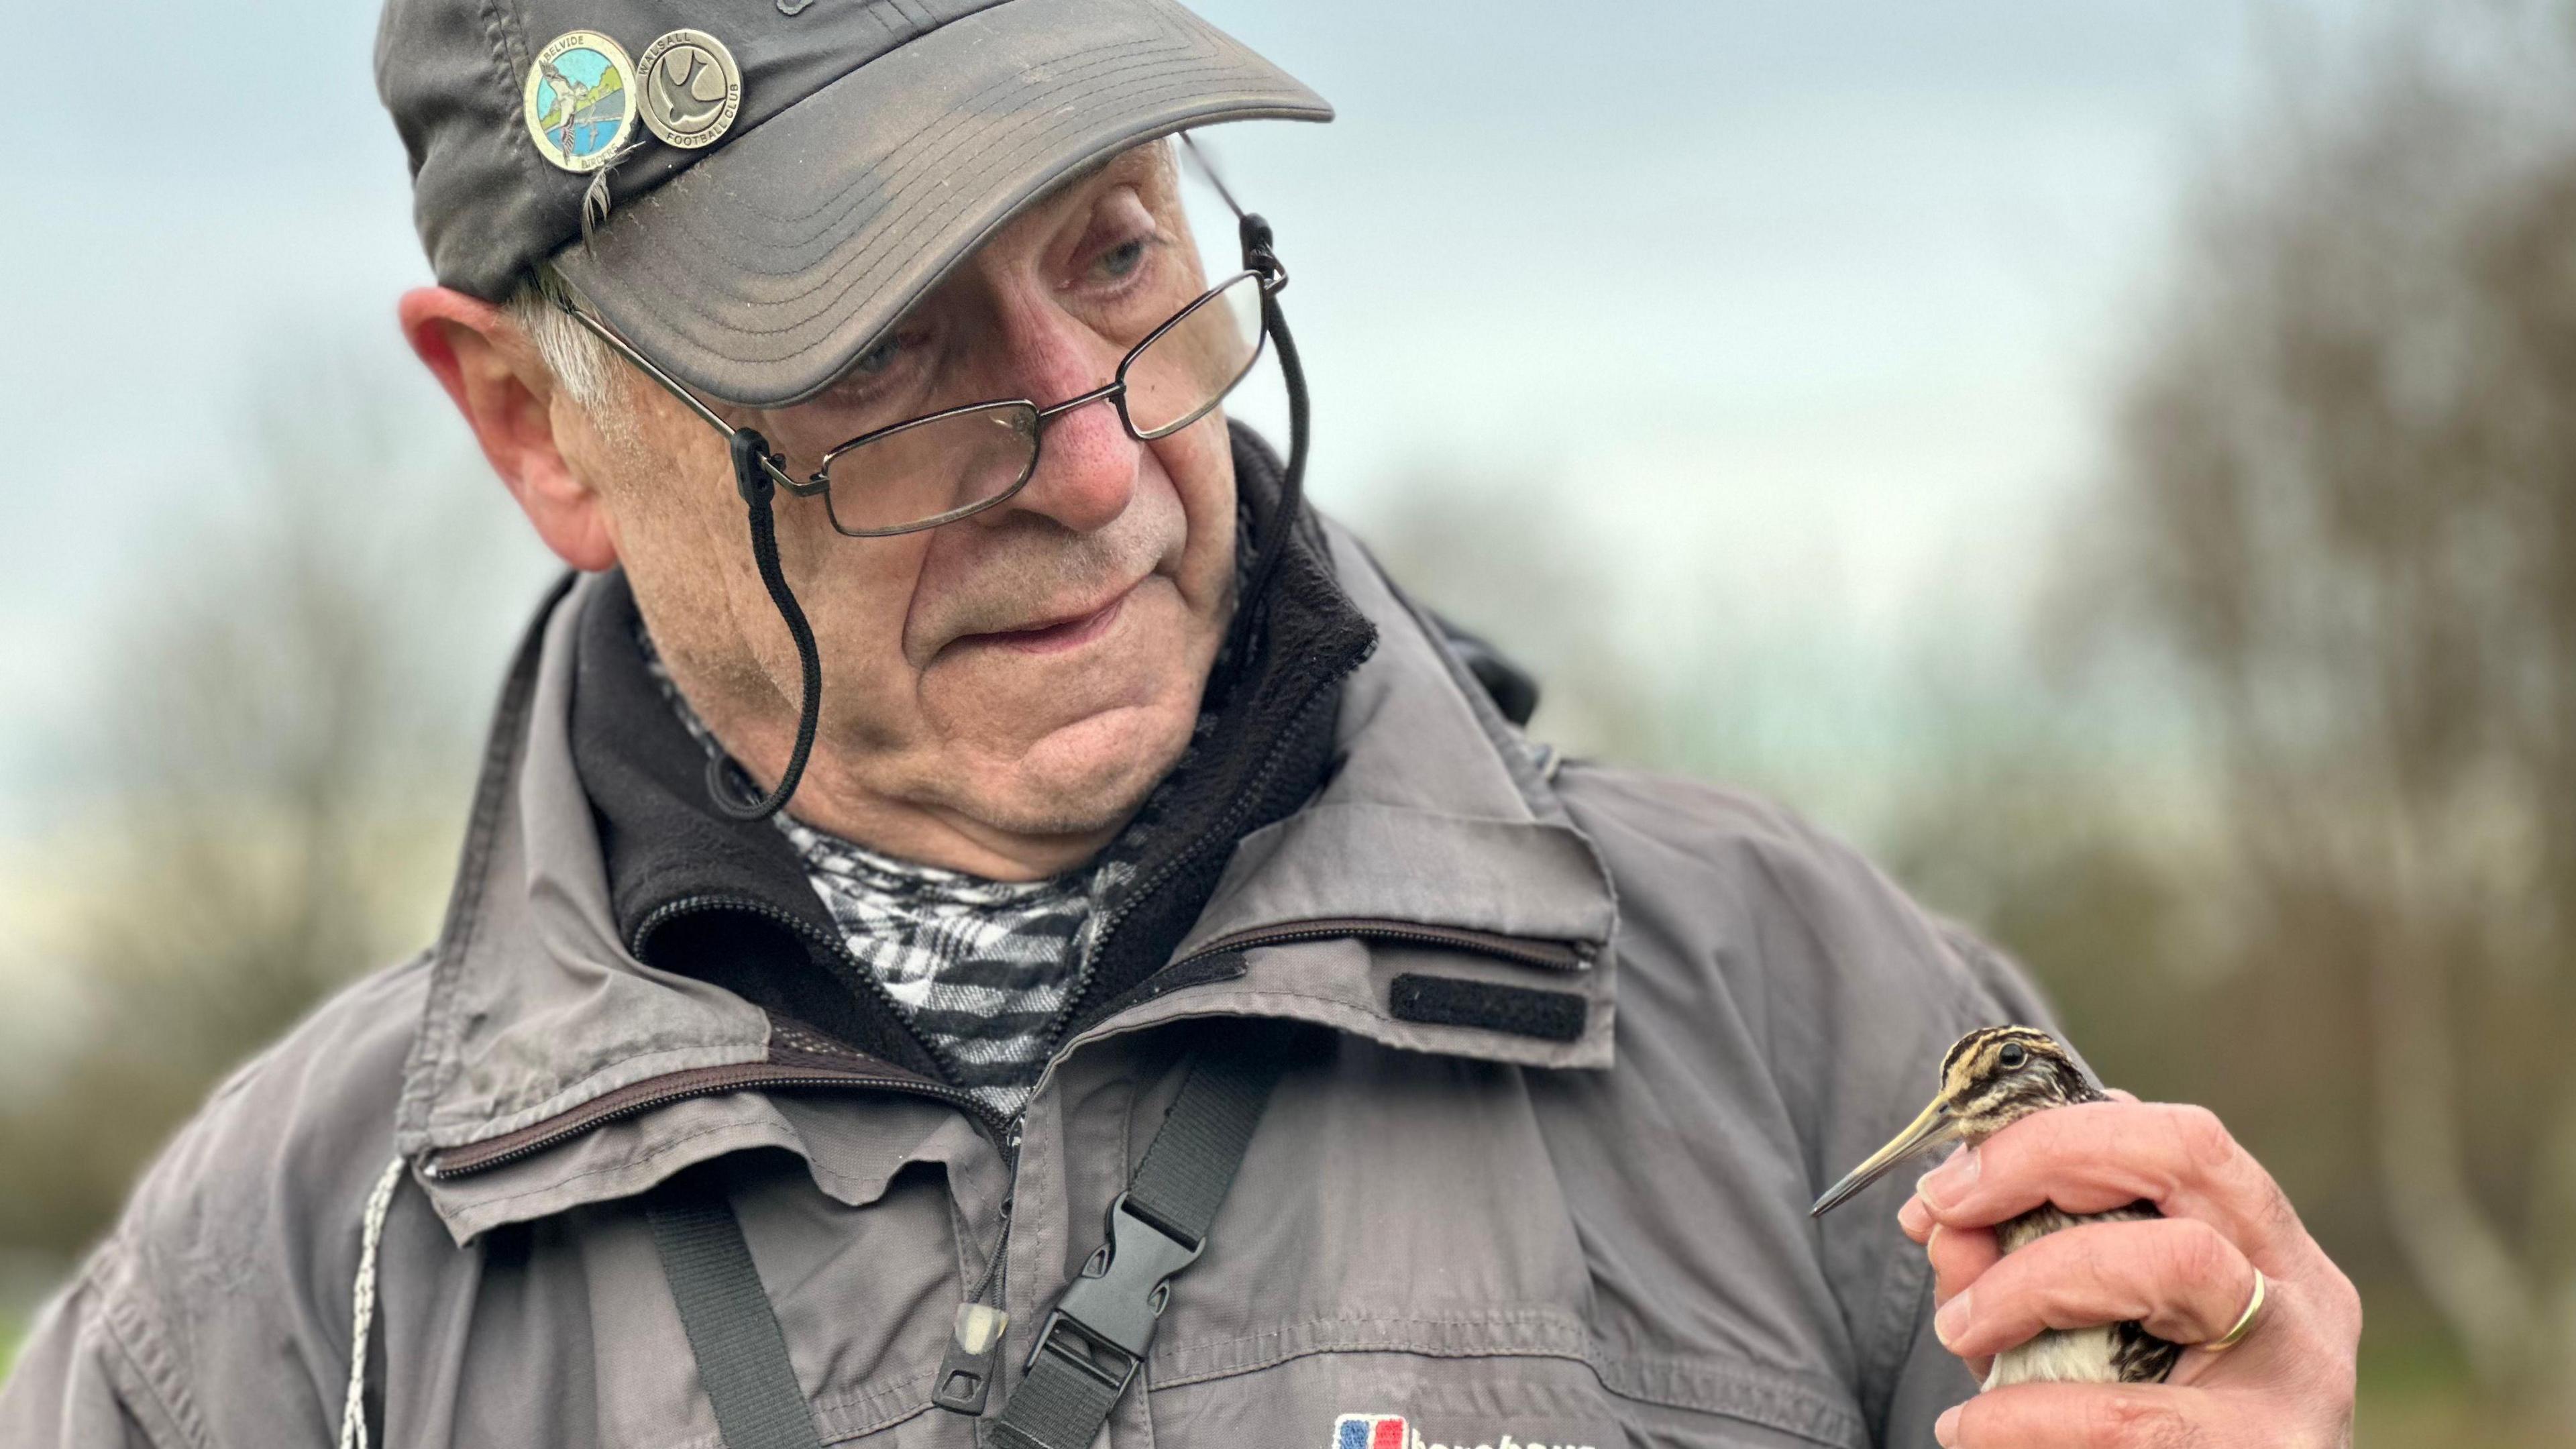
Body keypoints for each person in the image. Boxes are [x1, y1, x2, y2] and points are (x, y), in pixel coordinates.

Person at [0, 2, 2361, 1446]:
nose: (1103, 459)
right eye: (882, 358)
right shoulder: (295, 1296)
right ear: (532, 424)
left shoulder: (1808, 1030)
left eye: (1118, 252)